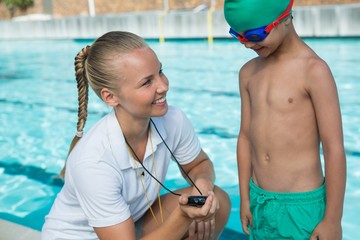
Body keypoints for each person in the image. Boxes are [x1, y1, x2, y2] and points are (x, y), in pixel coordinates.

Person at [41, 31, 230, 240]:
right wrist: (183, 217)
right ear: (110, 97)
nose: (164, 86)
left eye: (160, 71)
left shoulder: (172, 119)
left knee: (218, 200)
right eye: (147, 82)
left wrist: (201, 190)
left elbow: (198, 164)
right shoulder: (94, 161)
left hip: (129, 222)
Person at [224, 0, 346, 239]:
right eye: (238, 37)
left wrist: (333, 220)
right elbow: (245, 138)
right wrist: (245, 198)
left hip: (302, 208)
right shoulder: (248, 73)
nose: (248, 45)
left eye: (256, 35)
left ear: (284, 19)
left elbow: (334, 148)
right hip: (260, 201)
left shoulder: (314, 71)